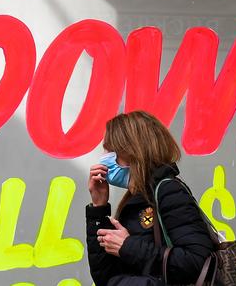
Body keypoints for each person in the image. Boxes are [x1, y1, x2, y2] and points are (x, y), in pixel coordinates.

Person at [86, 111, 217, 286]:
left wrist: (128, 246)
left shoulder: (168, 192)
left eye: (111, 150)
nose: (105, 158)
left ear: (133, 151)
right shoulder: (136, 200)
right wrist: (98, 207)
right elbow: (105, 277)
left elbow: (197, 263)